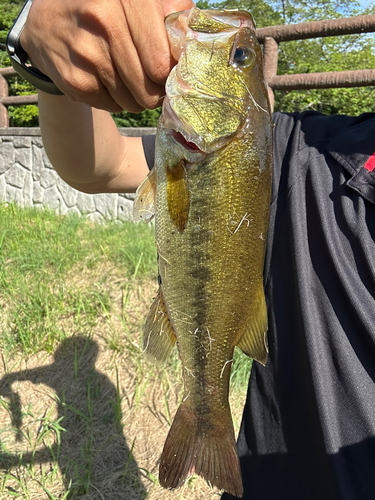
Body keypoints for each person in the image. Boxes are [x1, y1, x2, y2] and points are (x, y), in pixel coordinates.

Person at [19, 1, 375, 499]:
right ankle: (207, 414)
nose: (236, 35)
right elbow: (95, 165)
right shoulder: (301, 154)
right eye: (240, 59)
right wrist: (46, 63)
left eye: (239, 59)